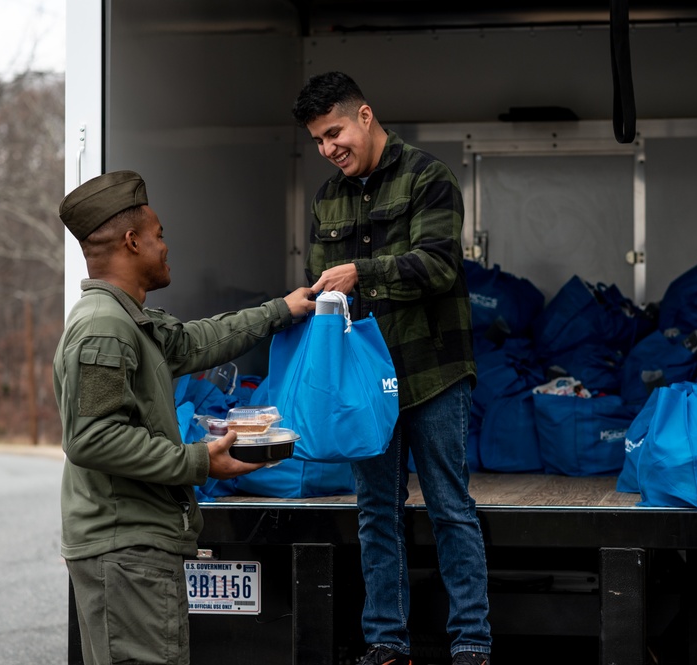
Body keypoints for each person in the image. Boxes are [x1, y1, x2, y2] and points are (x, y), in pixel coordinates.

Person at [54, 170, 315, 665]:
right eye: (159, 236)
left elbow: (199, 341)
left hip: (135, 545)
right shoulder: (104, 328)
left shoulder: (129, 320)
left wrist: (281, 309)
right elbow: (93, 439)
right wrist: (199, 461)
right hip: (125, 548)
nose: (166, 246)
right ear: (132, 242)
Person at [292, 71, 492, 665]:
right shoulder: (327, 198)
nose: (329, 150)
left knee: (450, 506)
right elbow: (326, 289)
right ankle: (386, 643)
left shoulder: (430, 177)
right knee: (375, 510)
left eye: (334, 134)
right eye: (318, 142)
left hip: (433, 371)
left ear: (365, 116)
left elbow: (439, 267)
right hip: (364, 385)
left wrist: (363, 272)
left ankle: (472, 643)